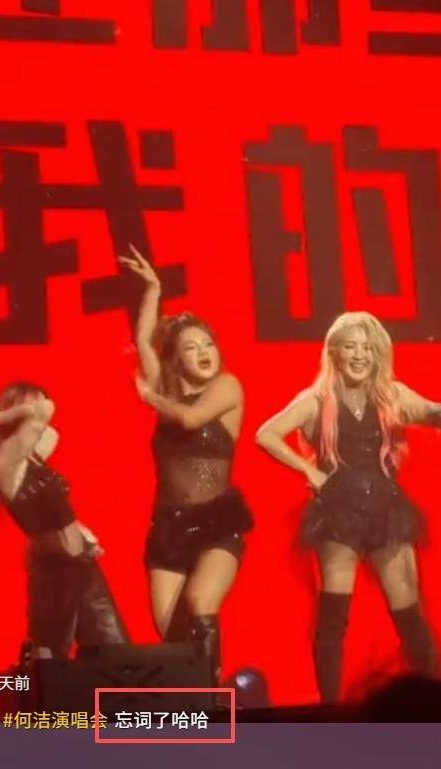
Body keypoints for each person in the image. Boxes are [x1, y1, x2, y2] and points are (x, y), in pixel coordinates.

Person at [255, 311, 441, 703]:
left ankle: (438, 705)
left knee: (409, 614)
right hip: (338, 516)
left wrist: (436, 409)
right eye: (350, 347)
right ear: (334, 352)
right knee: (334, 618)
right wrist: (309, 470)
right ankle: (330, 711)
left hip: (387, 513)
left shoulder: (390, 395)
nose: (359, 355)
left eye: (366, 348)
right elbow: (265, 434)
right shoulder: (316, 399)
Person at [120, 247, 253, 685]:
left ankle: (213, 705)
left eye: (208, 344)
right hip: (168, 527)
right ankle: (190, 705)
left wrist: (149, 398)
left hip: (216, 523)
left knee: (200, 603)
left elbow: (191, 419)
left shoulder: (228, 387)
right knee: (171, 637)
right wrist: (153, 290)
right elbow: (144, 341)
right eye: (191, 348)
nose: (204, 352)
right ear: (177, 359)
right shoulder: (167, 390)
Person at [0, 382, 129, 660]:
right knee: (50, 657)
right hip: (55, 569)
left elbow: (49, 424)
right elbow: (44, 410)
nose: (41, 407)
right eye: (31, 403)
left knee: (115, 649)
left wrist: (82, 534)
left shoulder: (30, 456)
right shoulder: (5, 457)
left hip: (81, 562)